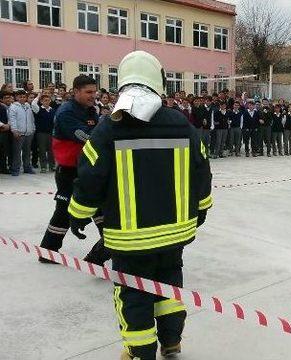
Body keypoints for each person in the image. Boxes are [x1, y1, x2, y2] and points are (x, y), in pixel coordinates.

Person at [68, 51, 212, 360]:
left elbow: (90, 177)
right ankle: (172, 343)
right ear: (157, 79)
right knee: (170, 289)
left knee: (134, 294)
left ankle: (139, 351)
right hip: (175, 233)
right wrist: (201, 209)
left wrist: (77, 214)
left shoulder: (109, 127)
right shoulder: (181, 123)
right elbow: (203, 169)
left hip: (131, 238)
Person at [38, 75, 109, 266]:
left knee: (101, 207)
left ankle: (108, 247)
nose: (93, 96)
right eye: (88, 92)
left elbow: (97, 133)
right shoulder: (66, 112)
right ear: (75, 91)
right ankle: (47, 251)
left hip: (88, 168)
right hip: (69, 171)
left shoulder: (91, 110)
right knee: (64, 210)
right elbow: (85, 136)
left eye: (94, 92)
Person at [8, 90, 36, 176]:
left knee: (27, 152)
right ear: (16, 97)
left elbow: (32, 118)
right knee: (17, 152)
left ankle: (27, 167)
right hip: (19, 133)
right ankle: (15, 169)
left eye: (24, 97)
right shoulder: (13, 107)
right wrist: (14, 130)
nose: (22, 98)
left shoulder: (28, 106)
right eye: (20, 97)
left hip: (29, 132)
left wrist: (33, 128)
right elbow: (12, 120)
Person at [31, 93, 56, 172]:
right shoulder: (38, 109)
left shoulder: (52, 110)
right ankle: (43, 167)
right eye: (45, 101)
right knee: (42, 150)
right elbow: (33, 104)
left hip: (51, 133)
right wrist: (38, 96)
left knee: (51, 150)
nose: (47, 102)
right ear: (41, 101)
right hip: (41, 133)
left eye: (48, 100)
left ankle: (52, 166)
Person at [0, 91, 13, 173]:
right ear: (1, 99)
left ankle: (8, 167)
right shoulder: (1, 107)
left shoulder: (13, 107)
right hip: (2, 130)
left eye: (9, 97)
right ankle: (3, 168)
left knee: (8, 150)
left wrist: (9, 125)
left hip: (10, 131)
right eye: (6, 98)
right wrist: (3, 125)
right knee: (2, 151)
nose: (8, 99)